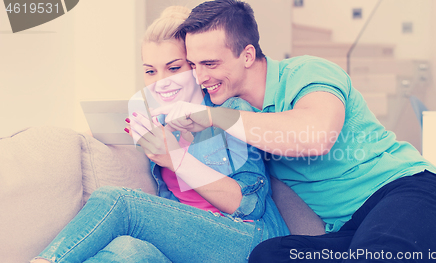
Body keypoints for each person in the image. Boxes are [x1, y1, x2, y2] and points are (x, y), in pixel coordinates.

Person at [150, 0, 436, 262]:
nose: (200, 76)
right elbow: (165, 80)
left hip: (414, 194)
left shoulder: (307, 73)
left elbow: (314, 136)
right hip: (352, 228)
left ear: (247, 55)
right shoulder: (232, 108)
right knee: (269, 255)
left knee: (377, 251)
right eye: (193, 65)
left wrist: (215, 116)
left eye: (210, 63)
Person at [31, 6, 288, 263]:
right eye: (150, 71)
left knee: (119, 201)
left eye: (174, 68)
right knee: (127, 251)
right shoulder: (152, 116)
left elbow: (249, 205)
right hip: (185, 243)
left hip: (247, 240)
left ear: (195, 67)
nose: (161, 82)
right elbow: (93, 132)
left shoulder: (230, 111)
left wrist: (174, 157)